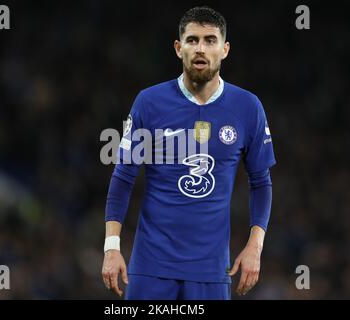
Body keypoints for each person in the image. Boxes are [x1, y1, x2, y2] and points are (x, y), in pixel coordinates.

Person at [102, 6, 276, 300]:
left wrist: (255, 247)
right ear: (178, 47)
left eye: (210, 40)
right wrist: (111, 247)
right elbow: (123, 176)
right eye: (193, 40)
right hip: (150, 266)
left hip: (211, 271)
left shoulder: (247, 108)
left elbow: (261, 182)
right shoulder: (149, 102)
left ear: (225, 49)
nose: (201, 48)